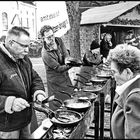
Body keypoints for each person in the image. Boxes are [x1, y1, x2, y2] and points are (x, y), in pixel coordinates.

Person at [0, 26, 47, 139]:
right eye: (24, 46)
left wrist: (38, 92)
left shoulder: (24, 58)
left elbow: (34, 77)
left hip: (25, 120)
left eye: (28, 45)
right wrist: (10, 102)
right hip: (7, 126)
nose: (27, 50)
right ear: (11, 43)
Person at [107, 43, 140, 139]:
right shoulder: (130, 88)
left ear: (128, 72)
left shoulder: (135, 98)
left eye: (114, 72)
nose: (113, 77)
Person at [40, 25, 75, 111]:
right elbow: (59, 69)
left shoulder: (58, 40)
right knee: (58, 103)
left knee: (70, 97)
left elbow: (65, 53)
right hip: (55, 81)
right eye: (48, 37)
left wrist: (67, 60)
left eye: (52, 35)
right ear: (43, 38)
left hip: (65, 76)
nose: (52, 38)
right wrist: (71, 65)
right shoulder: (45, 53)